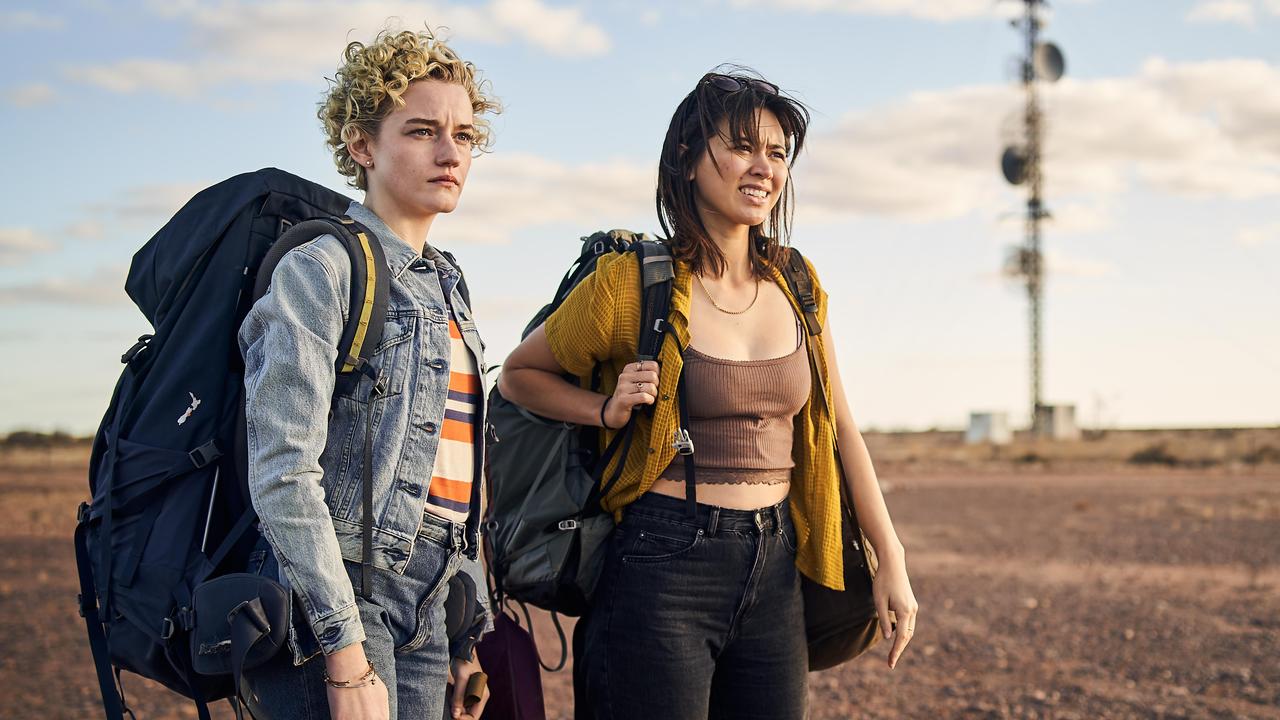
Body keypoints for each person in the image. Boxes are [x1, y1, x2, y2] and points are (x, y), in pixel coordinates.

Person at [498, 68, 919, 719]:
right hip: (662, 561)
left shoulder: (798, 281)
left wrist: (888, 556)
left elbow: (841, 426)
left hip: (777, 559)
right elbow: (521, 375)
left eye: (778, 153)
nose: (764, 167)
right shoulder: (631, 283)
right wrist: (603, 409)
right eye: (744, 146)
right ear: (689, 159)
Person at [238, 27, 498, 720]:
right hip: (343, 594)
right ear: (361, 145)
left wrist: (464, 633)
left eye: (464, 135)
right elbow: (282, 468)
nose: (451, 153)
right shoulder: (320, 268)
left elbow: (457, 472)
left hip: (431, 601)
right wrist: (344, 651)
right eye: (421, 131)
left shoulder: (447, 282)